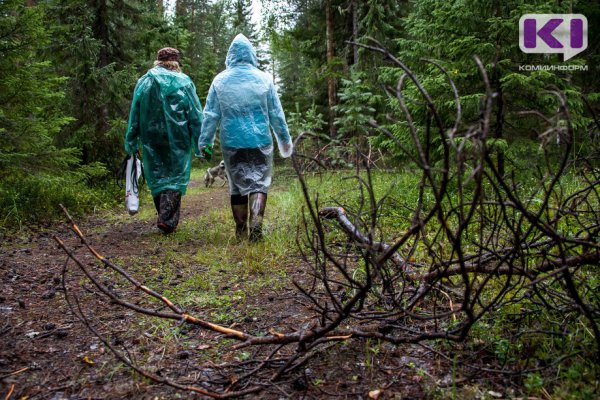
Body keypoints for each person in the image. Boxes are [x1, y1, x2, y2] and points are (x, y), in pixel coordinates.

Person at [198, 34, 293, 242]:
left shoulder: (220, 81)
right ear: (252, 55)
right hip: (260, 141)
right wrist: (284, 140)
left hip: (232, 142)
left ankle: (241, 230)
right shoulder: (265, 79)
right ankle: (256, 226)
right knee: (260, 184)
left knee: (236, 186)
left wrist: (203, 143)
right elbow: (277, 114)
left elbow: (210, 115)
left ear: (229, 56)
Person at [124, 47, 203, 234]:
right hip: (178, 139)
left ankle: (164, 216)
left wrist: (131, 138)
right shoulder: (184, 82)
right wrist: (200, 141)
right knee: (176, 176)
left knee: (157, 175)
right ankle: (167, 219)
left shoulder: (145, 82)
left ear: (158, 61)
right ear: (176, 62)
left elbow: (135, 112)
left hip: (152, 138)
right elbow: (195, 114)